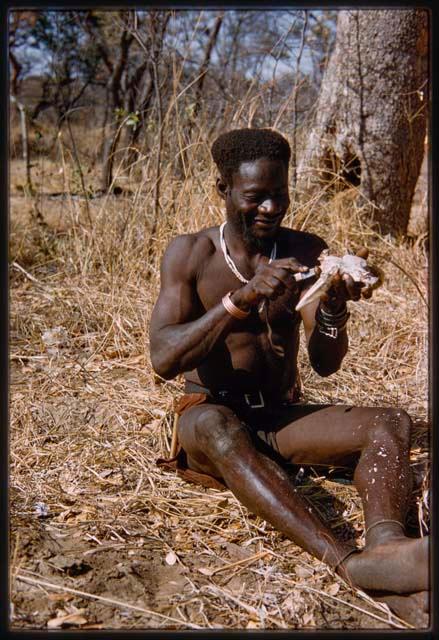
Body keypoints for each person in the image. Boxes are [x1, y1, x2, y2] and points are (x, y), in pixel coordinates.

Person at [149, 128, 429, 623]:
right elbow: (164, 358)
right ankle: (349, 563)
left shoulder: (304, 250)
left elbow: (325, 361)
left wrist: (333, 308)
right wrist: (238, 302)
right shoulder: (192, 254)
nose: (271, 208)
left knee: (390, 421)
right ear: (224, 190)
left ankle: (389, 548)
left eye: (280, 194)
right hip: (208, 415)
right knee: (219, 427)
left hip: (279, 415)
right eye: (256, 197)